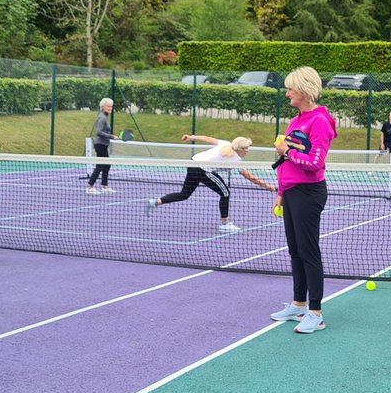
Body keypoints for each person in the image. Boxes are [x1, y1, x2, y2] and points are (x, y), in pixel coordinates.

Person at [268, 66, 337, 334]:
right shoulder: (296, 120)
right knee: (295, 250)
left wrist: (286, 150)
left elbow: (316, 163)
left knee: (308, 252)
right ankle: (298, 304)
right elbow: (287, 161)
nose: (287, 94)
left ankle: (316, 313)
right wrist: (281, 191)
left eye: (290, 89)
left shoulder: (319, 121)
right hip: (292, 191)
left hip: (309, 193)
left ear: (304, 90)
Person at [144, 135, 273, 231]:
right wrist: (267, 186)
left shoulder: (226, 144)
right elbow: (250, 178)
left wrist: (191, 137)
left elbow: (206, 138)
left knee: (184, 194)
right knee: (225, 193)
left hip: (192, 163)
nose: (248, 151)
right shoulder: (236, 160)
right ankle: (225, 224)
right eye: (246, 148)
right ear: (241, 149)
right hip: (202, 169)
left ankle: (155, 202)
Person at [87, 98, 115, 195]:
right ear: (103, 107)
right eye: (108, 106)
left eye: (111, 106)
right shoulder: (102, 117)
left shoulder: (104, 117)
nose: (110, 108)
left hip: (103, 145)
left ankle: (104, 186)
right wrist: (112, 136)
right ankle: (90, 187)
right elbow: (98, 132)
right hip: (100, 145)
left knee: (107, 164)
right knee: (100, 165)